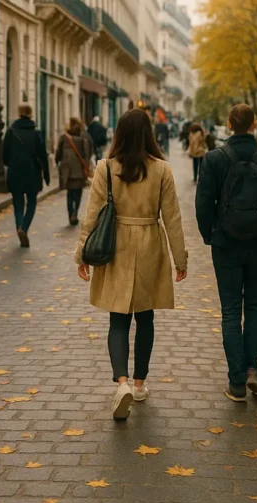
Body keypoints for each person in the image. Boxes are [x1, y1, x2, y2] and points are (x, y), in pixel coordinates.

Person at [76, 108, 187, 420]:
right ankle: (139, 384)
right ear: (149, 134)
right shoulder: (162, 169)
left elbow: (92, 215)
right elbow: (173, 217)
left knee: (118, 319)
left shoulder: (106, 167)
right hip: (149, 241)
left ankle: (121, 381)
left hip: (116, 247)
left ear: (119, 134)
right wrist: (181, 258)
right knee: (146, 317)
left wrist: (81, 255)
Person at [195, 103, 257, 402]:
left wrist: (210, 235)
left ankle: (236, 382)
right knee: (253, 306)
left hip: (225, 244)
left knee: (229, 310)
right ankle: (253, 369)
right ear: (254, 124)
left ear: (228, 123)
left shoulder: (214, 159)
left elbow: (202, 205)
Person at [2, 104, 50, 248]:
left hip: (15, 172)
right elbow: (43, 156)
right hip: (32, 173)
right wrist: (46, 175)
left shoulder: (11, 132)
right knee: (32, 202)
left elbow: (4, 154)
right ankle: (24, 227)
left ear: (19, 113)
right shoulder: (36, 133)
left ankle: (20, 228)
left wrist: (10, 163)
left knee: (18, 204)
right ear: (31, 114)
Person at [56, 117, 94, 226]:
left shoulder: (64, 137)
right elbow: (88, 152)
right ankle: (75, 213)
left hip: (67, 170)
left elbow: (59, 152)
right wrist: (86, 166)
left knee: (70, 193)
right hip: (79, 170)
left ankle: (70, 214)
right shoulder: (84, 136)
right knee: (78, 193)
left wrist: (58, 161)